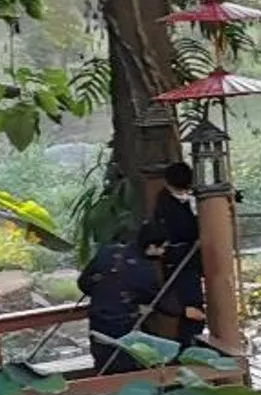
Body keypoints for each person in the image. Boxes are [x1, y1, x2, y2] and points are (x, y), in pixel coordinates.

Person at [78, 230, 162, 375]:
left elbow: (83, 283)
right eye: (162, 247)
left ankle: (103, 387)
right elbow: (152, 296)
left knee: (103, 360)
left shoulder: (105, 253)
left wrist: (101, 294)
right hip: (124, 321)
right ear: (151, 247)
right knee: (125, 363)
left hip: (99, 317)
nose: (163, 252)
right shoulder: (144, 268)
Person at [140, 160, 204, 343]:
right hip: (179, 260)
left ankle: (189, 344)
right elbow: (178, 231)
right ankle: (187, 347)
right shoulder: (165, 203)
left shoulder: (190, 197)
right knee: (192, 308)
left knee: (192, 306)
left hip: (192, 257)